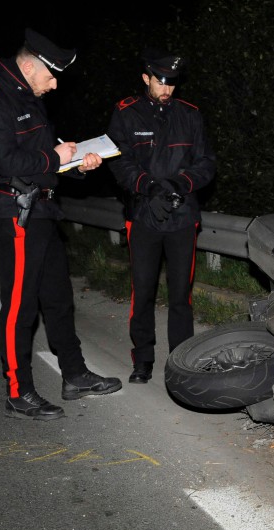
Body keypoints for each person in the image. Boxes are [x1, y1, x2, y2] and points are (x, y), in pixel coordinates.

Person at [0, 28, 122, 420]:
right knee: (21, 307)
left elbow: (43, 155)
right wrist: (54, 157)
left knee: (58, 299)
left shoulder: (25, 94)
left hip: (44, 210)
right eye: (51, 77)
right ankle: (19, 392)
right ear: (30, 65)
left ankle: (75, 376)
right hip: (16, 215)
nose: (54, 86)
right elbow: (8, 164)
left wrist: (78, 162)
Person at [106, 47, 216, 384]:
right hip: (143, 216)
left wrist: (179, 184)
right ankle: (142, 360)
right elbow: (118, 160)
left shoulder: (190, 114)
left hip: (182, 216)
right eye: (160, 82)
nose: (166, 89)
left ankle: (181, 363)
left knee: (181, 293)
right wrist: (148, 187)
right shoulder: (126, 113)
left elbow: (206, 162)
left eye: (172, 83)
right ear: (146, 78)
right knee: (143, 290)